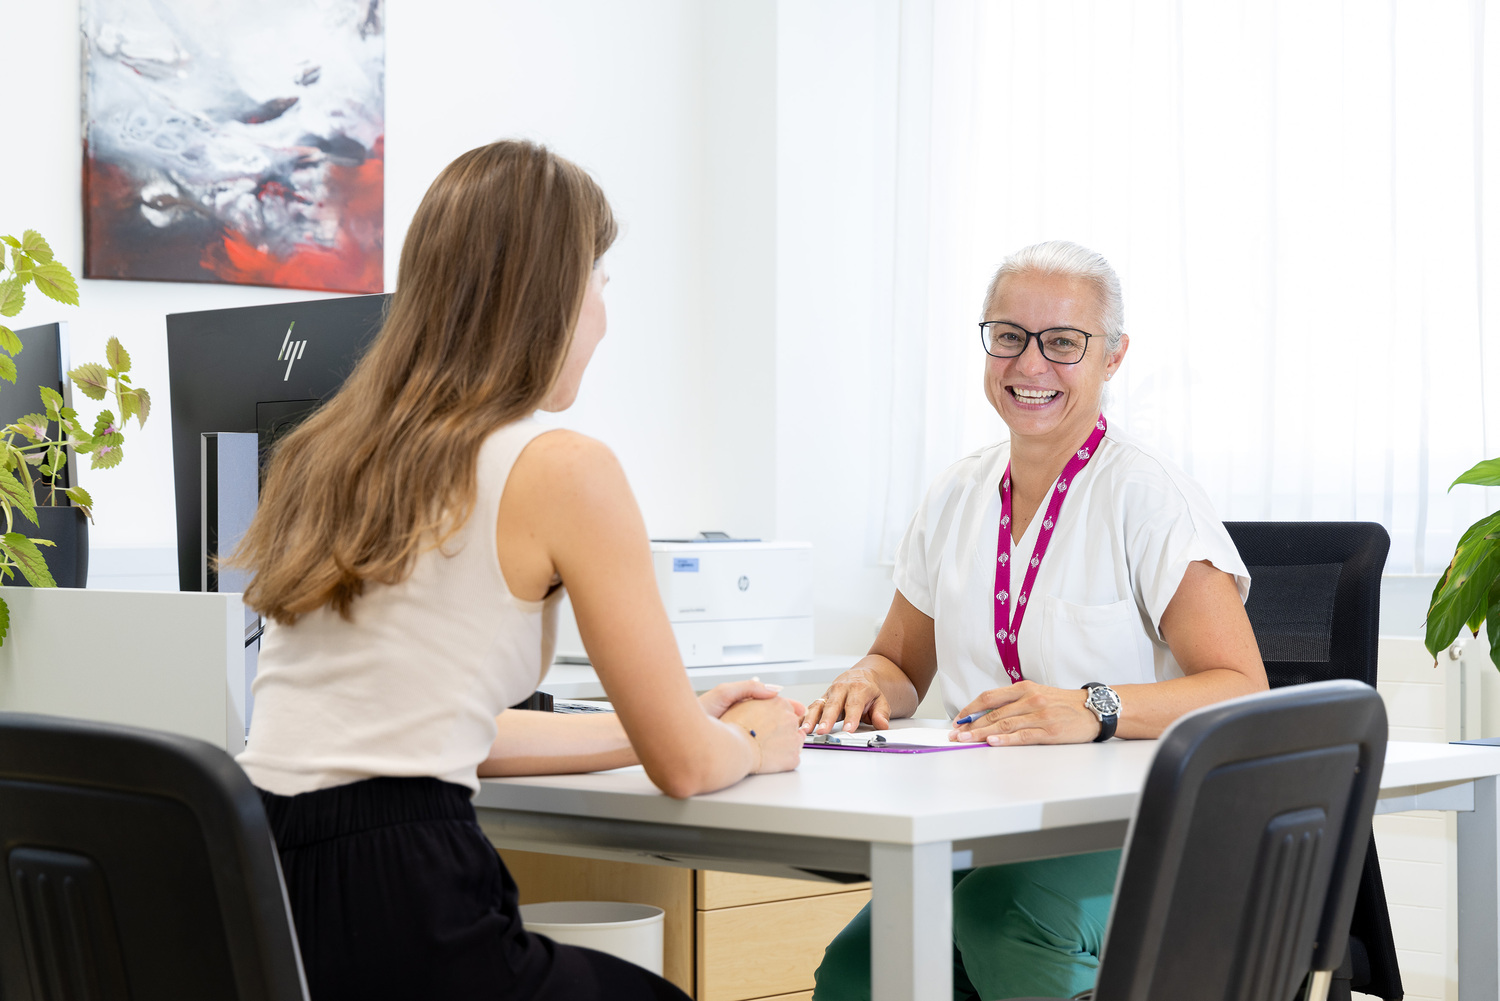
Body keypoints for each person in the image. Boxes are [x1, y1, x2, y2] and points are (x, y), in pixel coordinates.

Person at [230, 140, 806, 1001]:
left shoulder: (325, 453)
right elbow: (687, 769)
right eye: (600, 280)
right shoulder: (563, 467)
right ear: (553, 294)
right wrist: (753, 742)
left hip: (268, 884)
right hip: (407, 898)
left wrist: (660, 722)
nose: (604, 315)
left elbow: (428, 729)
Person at [801, 240, 1268, 1001]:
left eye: (1063, 342)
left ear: (1113, 357)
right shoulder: (955, 493)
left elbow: (1242, 688)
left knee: (1004, 917)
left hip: (1137, 827)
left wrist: (1094, 706)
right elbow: (901, 664)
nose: (1030, 364)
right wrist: (865, 680)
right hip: (988, 822)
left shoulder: (1149, 497)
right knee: (860, 972)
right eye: (1009, 336)